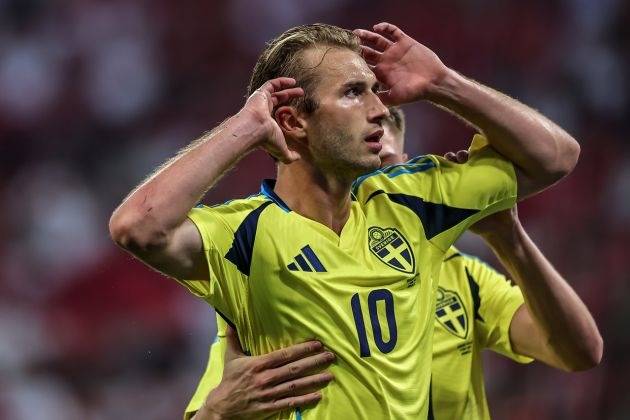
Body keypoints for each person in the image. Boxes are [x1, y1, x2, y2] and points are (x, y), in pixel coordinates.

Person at [109, 22, 581, 419]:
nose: (380, 110)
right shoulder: (242, 238)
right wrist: (245, 128)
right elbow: (137, 227)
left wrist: (443, 83)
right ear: (293, 121)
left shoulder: (412, 202)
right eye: (355, 93)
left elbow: (556, 157)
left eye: (375, 91)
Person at [184, 108, 601, 420]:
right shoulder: (273, 281)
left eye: (387, 170)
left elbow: (580, 352)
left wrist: (509, 238)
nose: (374, 187)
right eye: (362, 176)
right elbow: (225, 400)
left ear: (411, 171)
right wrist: (216, 412)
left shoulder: (462, 277)